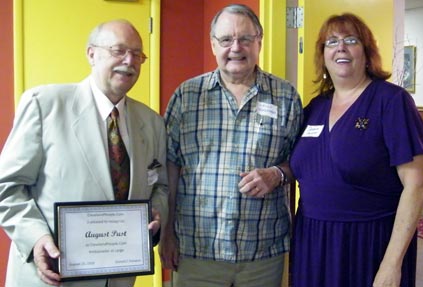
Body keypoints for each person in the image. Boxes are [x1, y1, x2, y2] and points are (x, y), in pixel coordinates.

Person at [0, 19, 168, 287]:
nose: (129, 60)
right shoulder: (45, 106)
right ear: (91, 54)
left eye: (138, 54)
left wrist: (157, 214)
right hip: (51, 276)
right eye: (118, 50)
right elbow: (6, 187)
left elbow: (160, 187)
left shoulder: (152, 123)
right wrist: (35, 238)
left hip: (119, 279)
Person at [160, 4, 302, 287]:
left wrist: (277, 174)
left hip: (263, 252)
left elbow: (302, 163)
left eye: (245, 39)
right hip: (197, 251)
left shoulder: (286, 97)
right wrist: (167, 234)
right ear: (213, 45)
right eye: (226, 40)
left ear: (259, 41)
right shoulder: (187, 96)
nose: (236, 47)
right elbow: (171, 167)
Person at [289, 13, 423, 287]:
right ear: (323, 55)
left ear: (366, 52)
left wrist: (392, 264)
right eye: (331, 42)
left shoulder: (391, 102)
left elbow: (418, 185)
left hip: (368, 242)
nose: (340, 47)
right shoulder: (314, 108)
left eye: (351, 40)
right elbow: (297, 165)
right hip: (312, 239)